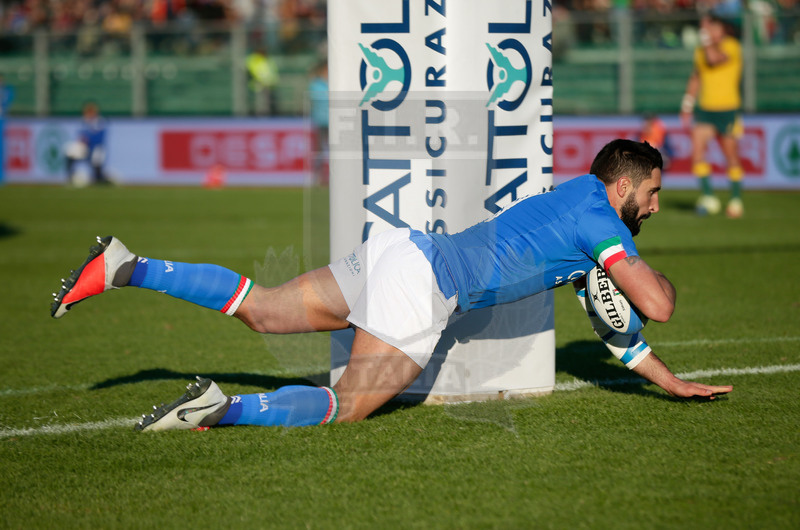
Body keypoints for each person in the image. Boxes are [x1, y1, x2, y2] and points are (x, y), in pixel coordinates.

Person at [50, 140, 733, 432]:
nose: (655, 205)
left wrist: (670, 383)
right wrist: (633, 271)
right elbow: (657, 304)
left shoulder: (583, 198)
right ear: (623, 185)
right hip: (425, 287)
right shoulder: (598, 218)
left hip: (401, 251)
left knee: (262, 311)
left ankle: (125, 267)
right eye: (652, 192)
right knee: (346, 410)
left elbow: (621, 325)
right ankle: (221, 409)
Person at [680, 13, 744, 218]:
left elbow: (714, 59)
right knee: (697, 151)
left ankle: (735, 200)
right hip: (706, 110)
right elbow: (696, 77)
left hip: (727, 109)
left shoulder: (731, 46)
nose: (710, 33)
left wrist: (706, 41)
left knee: (730, 156)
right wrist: (687, 104)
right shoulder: (700, 51)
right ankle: (708, 196)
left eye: (713, 29)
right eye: (708, 29)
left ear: (721, 31)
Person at [64, 101, 111, 186]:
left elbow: (99, 137)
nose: (88, 114)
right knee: (69, 150)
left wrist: (88, 141)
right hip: (85, 148)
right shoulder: (83, 121)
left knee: (98, 154)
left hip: (95, 148)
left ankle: (99, 178)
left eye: (90, 112)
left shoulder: (99, 122)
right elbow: (80, 136)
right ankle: (70, 176)